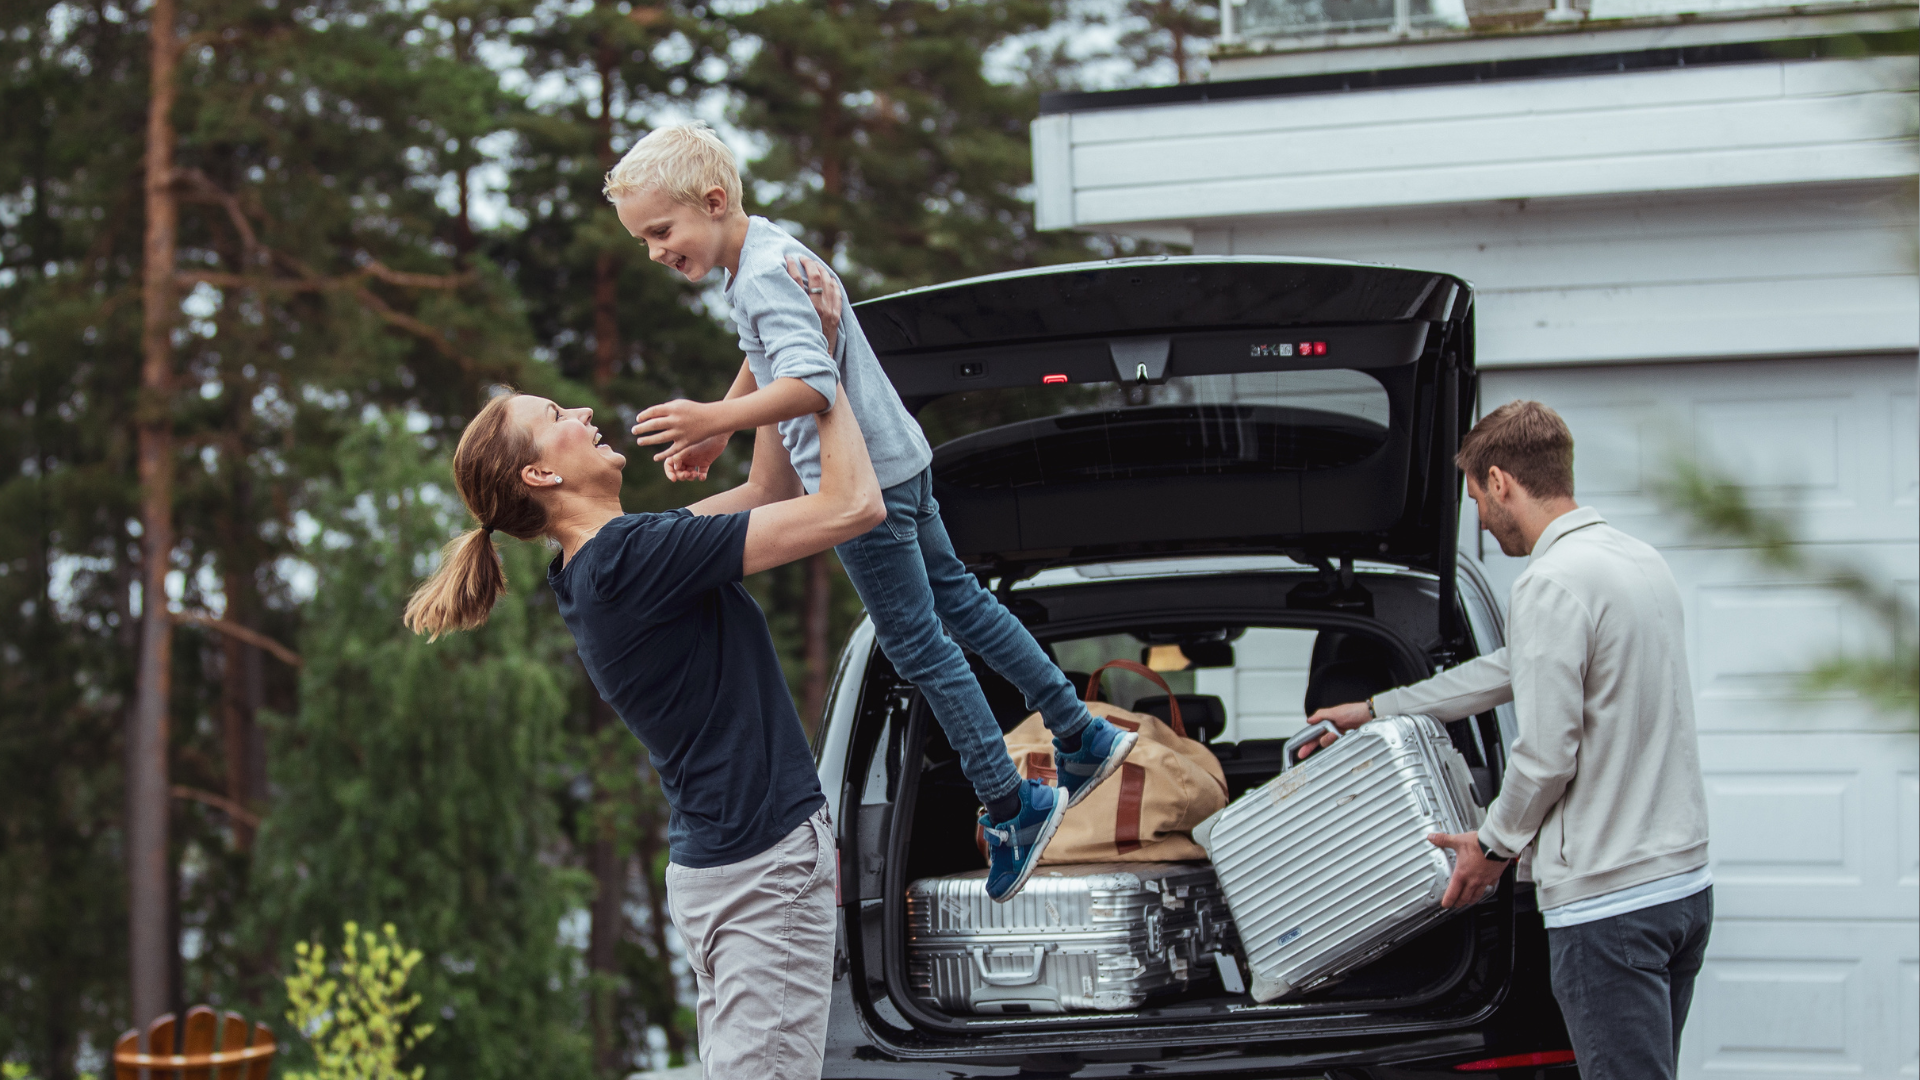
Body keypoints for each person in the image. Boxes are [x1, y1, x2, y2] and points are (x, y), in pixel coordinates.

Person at [598, 121, 1138, 902]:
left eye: (661, 231)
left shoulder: (755, 276)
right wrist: (728, 417)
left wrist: (712, 422)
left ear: (713, 202)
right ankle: (1081, 732)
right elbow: (769, 350)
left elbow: (812, 384)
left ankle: (1012, 802)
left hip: (864, 492)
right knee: (964, 607)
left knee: (918, 645)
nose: (654, 250)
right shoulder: (773, 249)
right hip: (904, 460)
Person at [402, 273, 870, 1079]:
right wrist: (818, 375)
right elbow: (852, 505)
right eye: (556, 418)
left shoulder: (600, 566)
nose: (582, 413)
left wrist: (765, 357)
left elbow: (767, 489)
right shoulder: (628, 560)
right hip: (759, 871)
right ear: (540, 478)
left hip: (726, 868)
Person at [1300, 400, 1711, 1080]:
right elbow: (1510, 667)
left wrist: (1492, 846)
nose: (1483, 522)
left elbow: (1548, 753)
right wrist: (1378, 708)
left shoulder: (1551, 581)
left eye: (1477, 500)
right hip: (1680, 889)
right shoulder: (1636, 561)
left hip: (1611, 907)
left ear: (1500, 481)